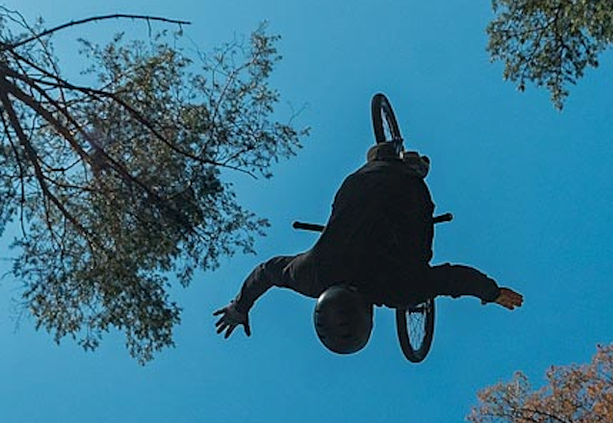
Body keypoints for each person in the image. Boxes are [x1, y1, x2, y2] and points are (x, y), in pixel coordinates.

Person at [213, 142, 523, 353]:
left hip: (411, 193)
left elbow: (455, 278)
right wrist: (239, 306)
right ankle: (385, 158)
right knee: (372, 173)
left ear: (370, 318)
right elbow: (266, 272)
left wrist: (492, 293)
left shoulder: (400, 291)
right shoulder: (310, 275)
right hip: (363, 181)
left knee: (413, 222)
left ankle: (412, 169)